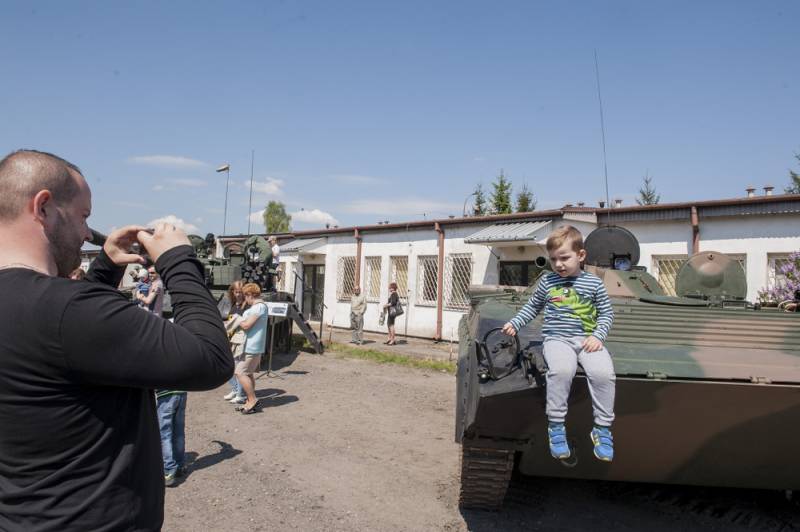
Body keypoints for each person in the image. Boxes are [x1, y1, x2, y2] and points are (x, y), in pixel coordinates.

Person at [0, 150, 232, 531]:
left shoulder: (49, 311)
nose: (87, 234)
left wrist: (105, 267)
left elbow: (61, 341)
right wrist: (178, 260)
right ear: (43, 207)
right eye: (83, 216)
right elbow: (211, 358)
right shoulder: (69, 312)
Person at [502, 225, 616, 462]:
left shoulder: (594, 284)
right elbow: (532, 307)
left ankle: (602, 429)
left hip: (588, 340)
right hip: (557, 339)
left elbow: (606, 314)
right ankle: (556, 426)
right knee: (562, 371)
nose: (559, 264)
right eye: (554, 259)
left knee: (604, 374)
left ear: (581, 255)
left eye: (564, 258)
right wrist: (515, 323)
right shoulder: (548, 282)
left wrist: (598, 336)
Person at [235, 282, 268, 414]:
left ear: (250, 295)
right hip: (252, 345)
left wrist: (237, 319)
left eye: (245, 296)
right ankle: (249, 401)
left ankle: (252, 400)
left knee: (240, 372)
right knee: (248, 373)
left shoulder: (258, 307)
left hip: (252, 346)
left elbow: (247, 325)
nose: (245, 299)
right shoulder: (259, 307)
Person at [223, 280, 248, 403]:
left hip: (241, 339)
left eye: (240, 292)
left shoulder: (247, 305)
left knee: (238, 368)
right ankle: (236, 389)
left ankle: (240, 393)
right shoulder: (234, 305)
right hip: (231, 339)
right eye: (236, 291)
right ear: (232, 292)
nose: (238, 294)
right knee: (228, 367)